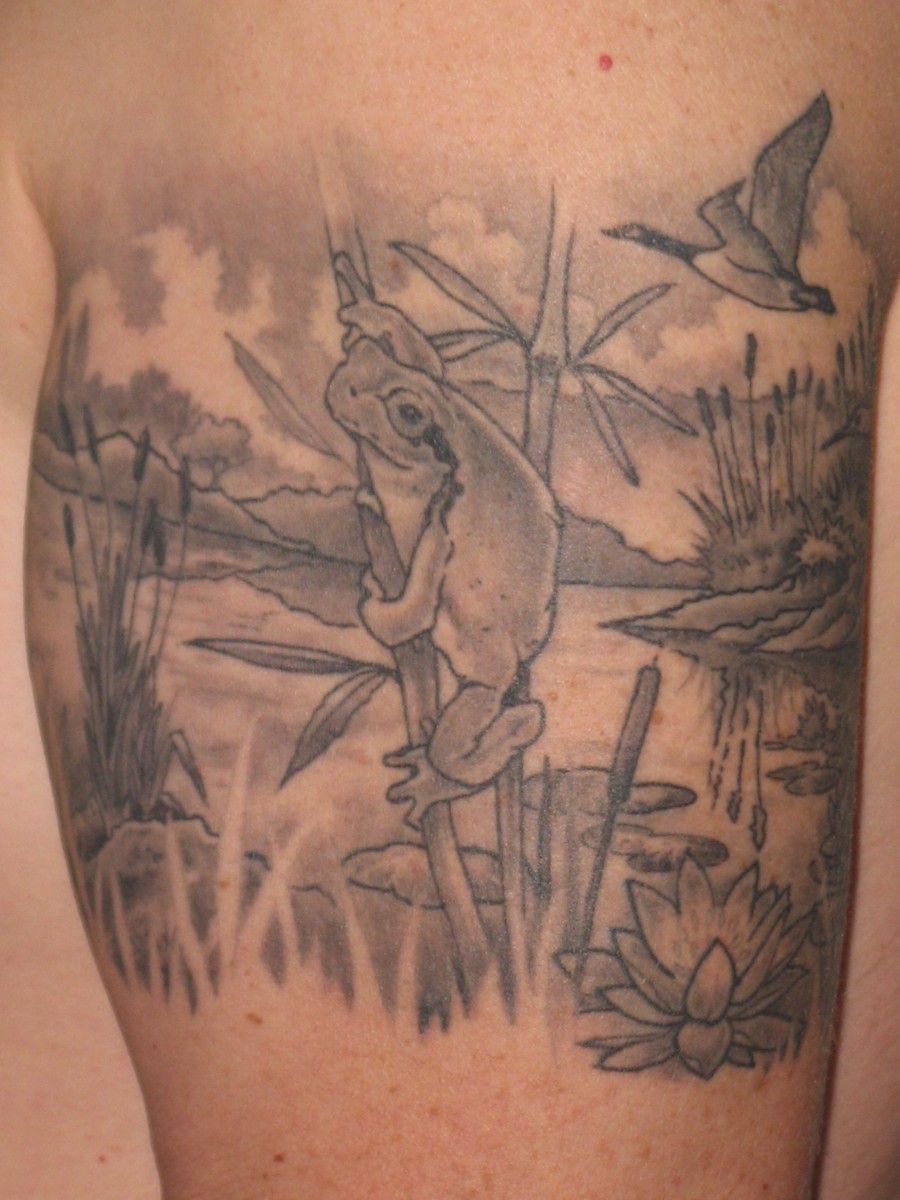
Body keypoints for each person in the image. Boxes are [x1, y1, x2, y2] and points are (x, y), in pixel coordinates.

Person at [1, 3, 899, 1197]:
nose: (357, 416)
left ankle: (483, 752)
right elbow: (422, 407)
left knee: (475, 725)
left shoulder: (483, 45)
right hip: (491, 607)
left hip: (484, 641)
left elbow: (419, 593)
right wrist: (385, 353)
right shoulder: (451, 431)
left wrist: (397, 631)